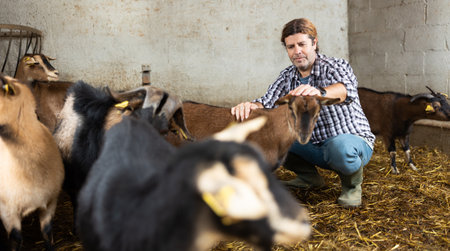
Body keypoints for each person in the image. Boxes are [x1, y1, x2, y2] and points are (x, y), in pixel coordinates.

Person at [231, 18, 375, 207]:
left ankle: (351, 186)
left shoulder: (335, 66)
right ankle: (309, 178)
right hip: (311, 143)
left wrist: (320, 92)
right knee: (272, 137)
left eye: (302, 44)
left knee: (340, 148)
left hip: (350, 143)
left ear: (314, 43)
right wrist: (249, 106)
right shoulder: (287, 76)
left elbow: (346, 90)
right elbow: (267, 102)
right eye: (291, 46)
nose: (297, 51)